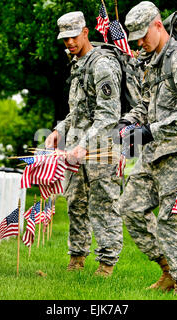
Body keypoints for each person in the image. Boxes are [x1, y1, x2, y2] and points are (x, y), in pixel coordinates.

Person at [115, 1, 177, 297]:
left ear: (158, 25)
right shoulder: (150, 60)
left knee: (172, 220)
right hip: (153, 152)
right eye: (135, 38)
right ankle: (167, 269)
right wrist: (127, 122)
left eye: (143, 35)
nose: (140, 42)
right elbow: (145, 104)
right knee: (129, 208)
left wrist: (149, 131)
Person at [45, 11, 123, 277]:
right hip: (77, 148)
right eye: (65, 39)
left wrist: (85, 144)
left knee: (104, 205)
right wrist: (59, 130)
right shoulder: (78, 65)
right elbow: (78, 112)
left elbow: (109, 114)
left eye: (73, 37)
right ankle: (77, 258)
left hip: (102, 147)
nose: (69, 43)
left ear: (86, 32)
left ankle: (106, 264)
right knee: (76, 202)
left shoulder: (102, 64)